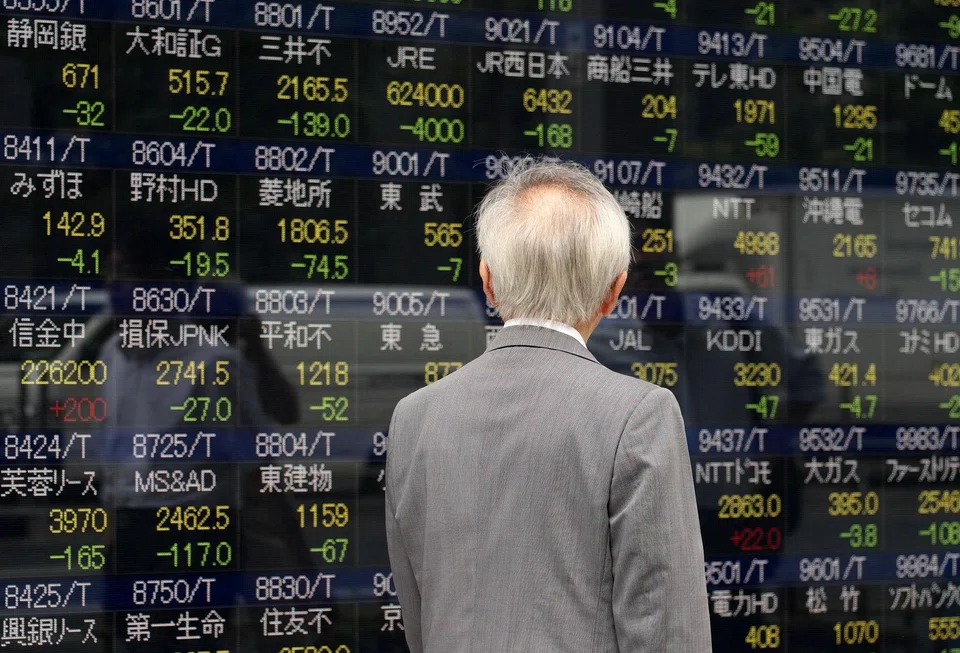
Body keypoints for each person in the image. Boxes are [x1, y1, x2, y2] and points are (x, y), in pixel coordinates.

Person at [384, 159, 712, 652]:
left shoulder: (415, 416)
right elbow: (668, 632)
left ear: (488, 281)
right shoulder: (640, 414)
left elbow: (419, 616)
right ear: (613, 291)